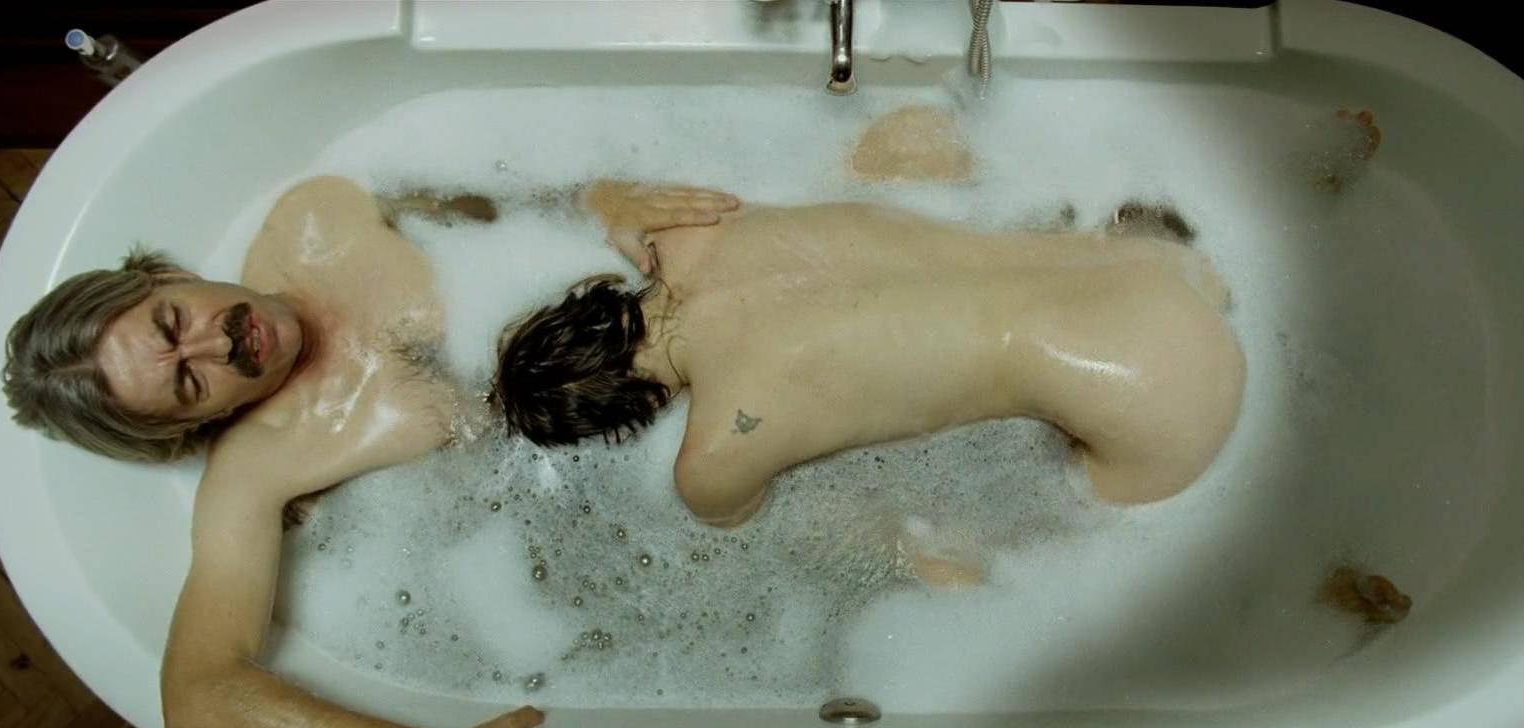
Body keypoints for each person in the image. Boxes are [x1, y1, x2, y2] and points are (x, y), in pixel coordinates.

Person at [1, 172, 738, 728]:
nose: (218, 343)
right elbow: (198, 704)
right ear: (189, 426)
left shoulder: (314, 216)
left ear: (162, 277)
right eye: (190, 381)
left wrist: (590, 201)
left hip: (660, 331)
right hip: (596, 496)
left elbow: (482, 201)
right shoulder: (257, 470)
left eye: (173, 322)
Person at [490, 107, 1246, 532]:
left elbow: (756, 523)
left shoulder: (715, 457)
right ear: (587, 301)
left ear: (637, 411)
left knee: (1031, 530)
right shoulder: (687, 224)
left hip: (1153, 383)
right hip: (1144, 258)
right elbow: (596, 196)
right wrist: (607, 202)